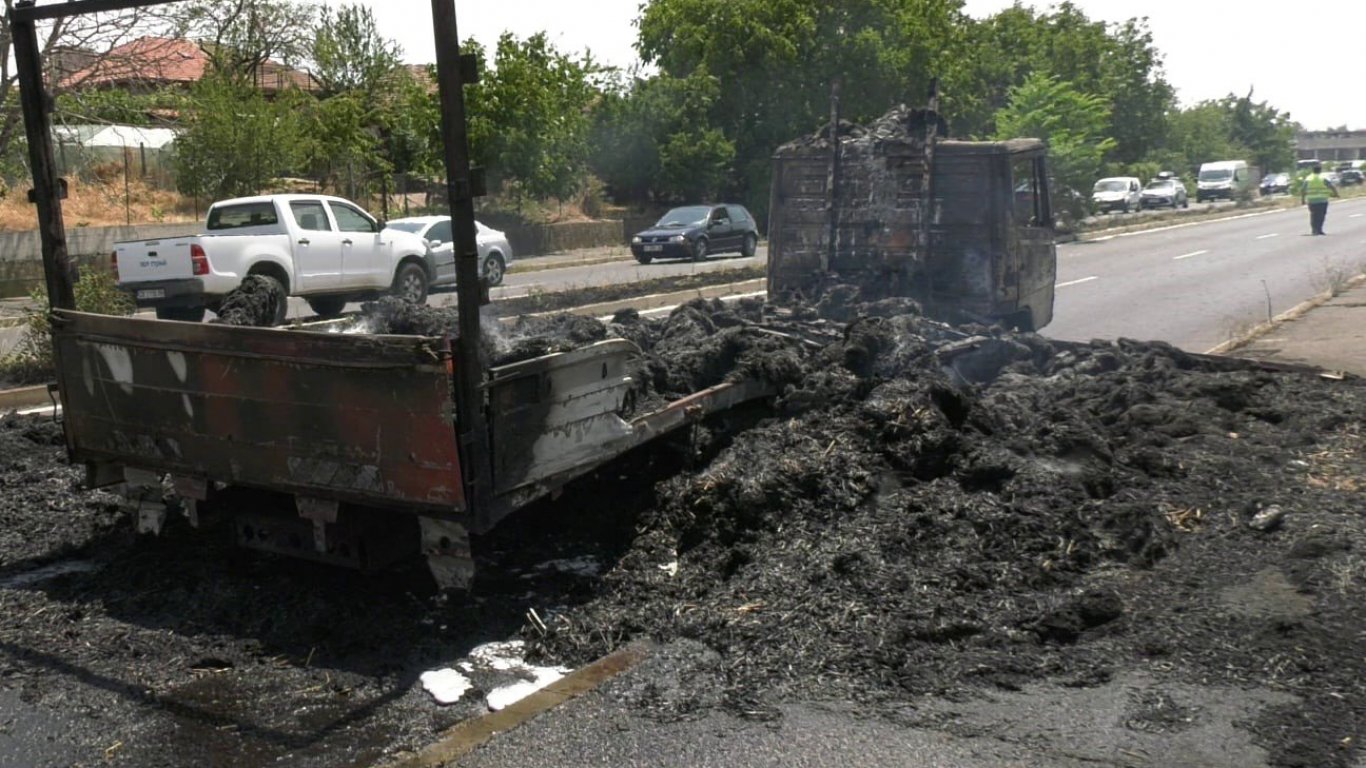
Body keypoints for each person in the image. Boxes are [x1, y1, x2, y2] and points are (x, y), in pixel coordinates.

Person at [1300, 162, 1340, 235]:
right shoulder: (1323, 178)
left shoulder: (1308, 178)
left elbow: (1303, 189)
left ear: (1313, 170)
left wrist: (1302, 200)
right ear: (1320, 170)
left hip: (1311, 200)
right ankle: (1319, 229)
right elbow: (1331, 186)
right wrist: (1336, 194)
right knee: (1321, 215)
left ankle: (1314, 229)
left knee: (1313, 215)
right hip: (1322, 200)